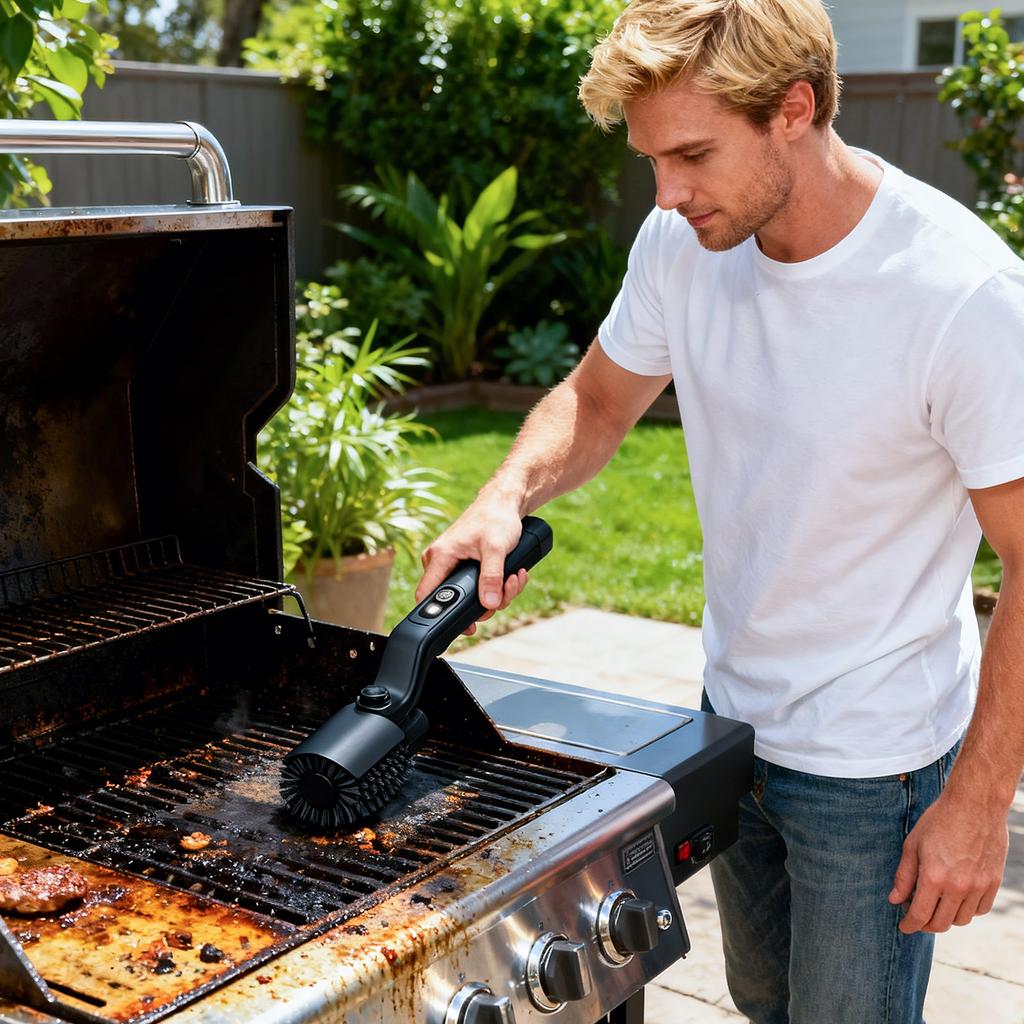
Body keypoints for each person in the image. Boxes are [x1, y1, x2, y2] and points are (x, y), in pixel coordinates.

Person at [415, 1, 1024, 1020]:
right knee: (762, 1004)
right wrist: (500, 492)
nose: (665, 192)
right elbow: (599, 399)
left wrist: (976, 805)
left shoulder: (959, 295)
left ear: (793, 109)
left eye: (690, 153)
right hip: (734, 723)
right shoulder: (681, 243)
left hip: (874, 768)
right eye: (651, 159)